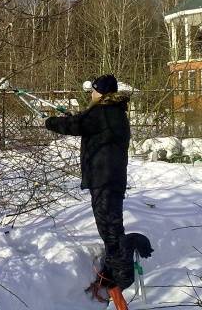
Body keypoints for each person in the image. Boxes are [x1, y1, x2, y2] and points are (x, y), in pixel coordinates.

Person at [44, 74, 135, 303]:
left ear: (102, 93)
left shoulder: (101, 112)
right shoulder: (115, 112)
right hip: (112, 178)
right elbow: (85, 122)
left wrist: (51, 122)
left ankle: (120, 276)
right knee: (112, 224)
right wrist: (76, 118)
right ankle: (115, 269)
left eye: (93, 91)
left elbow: (75, 125)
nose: (91, 95)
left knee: (109, 226)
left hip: (103, 179)